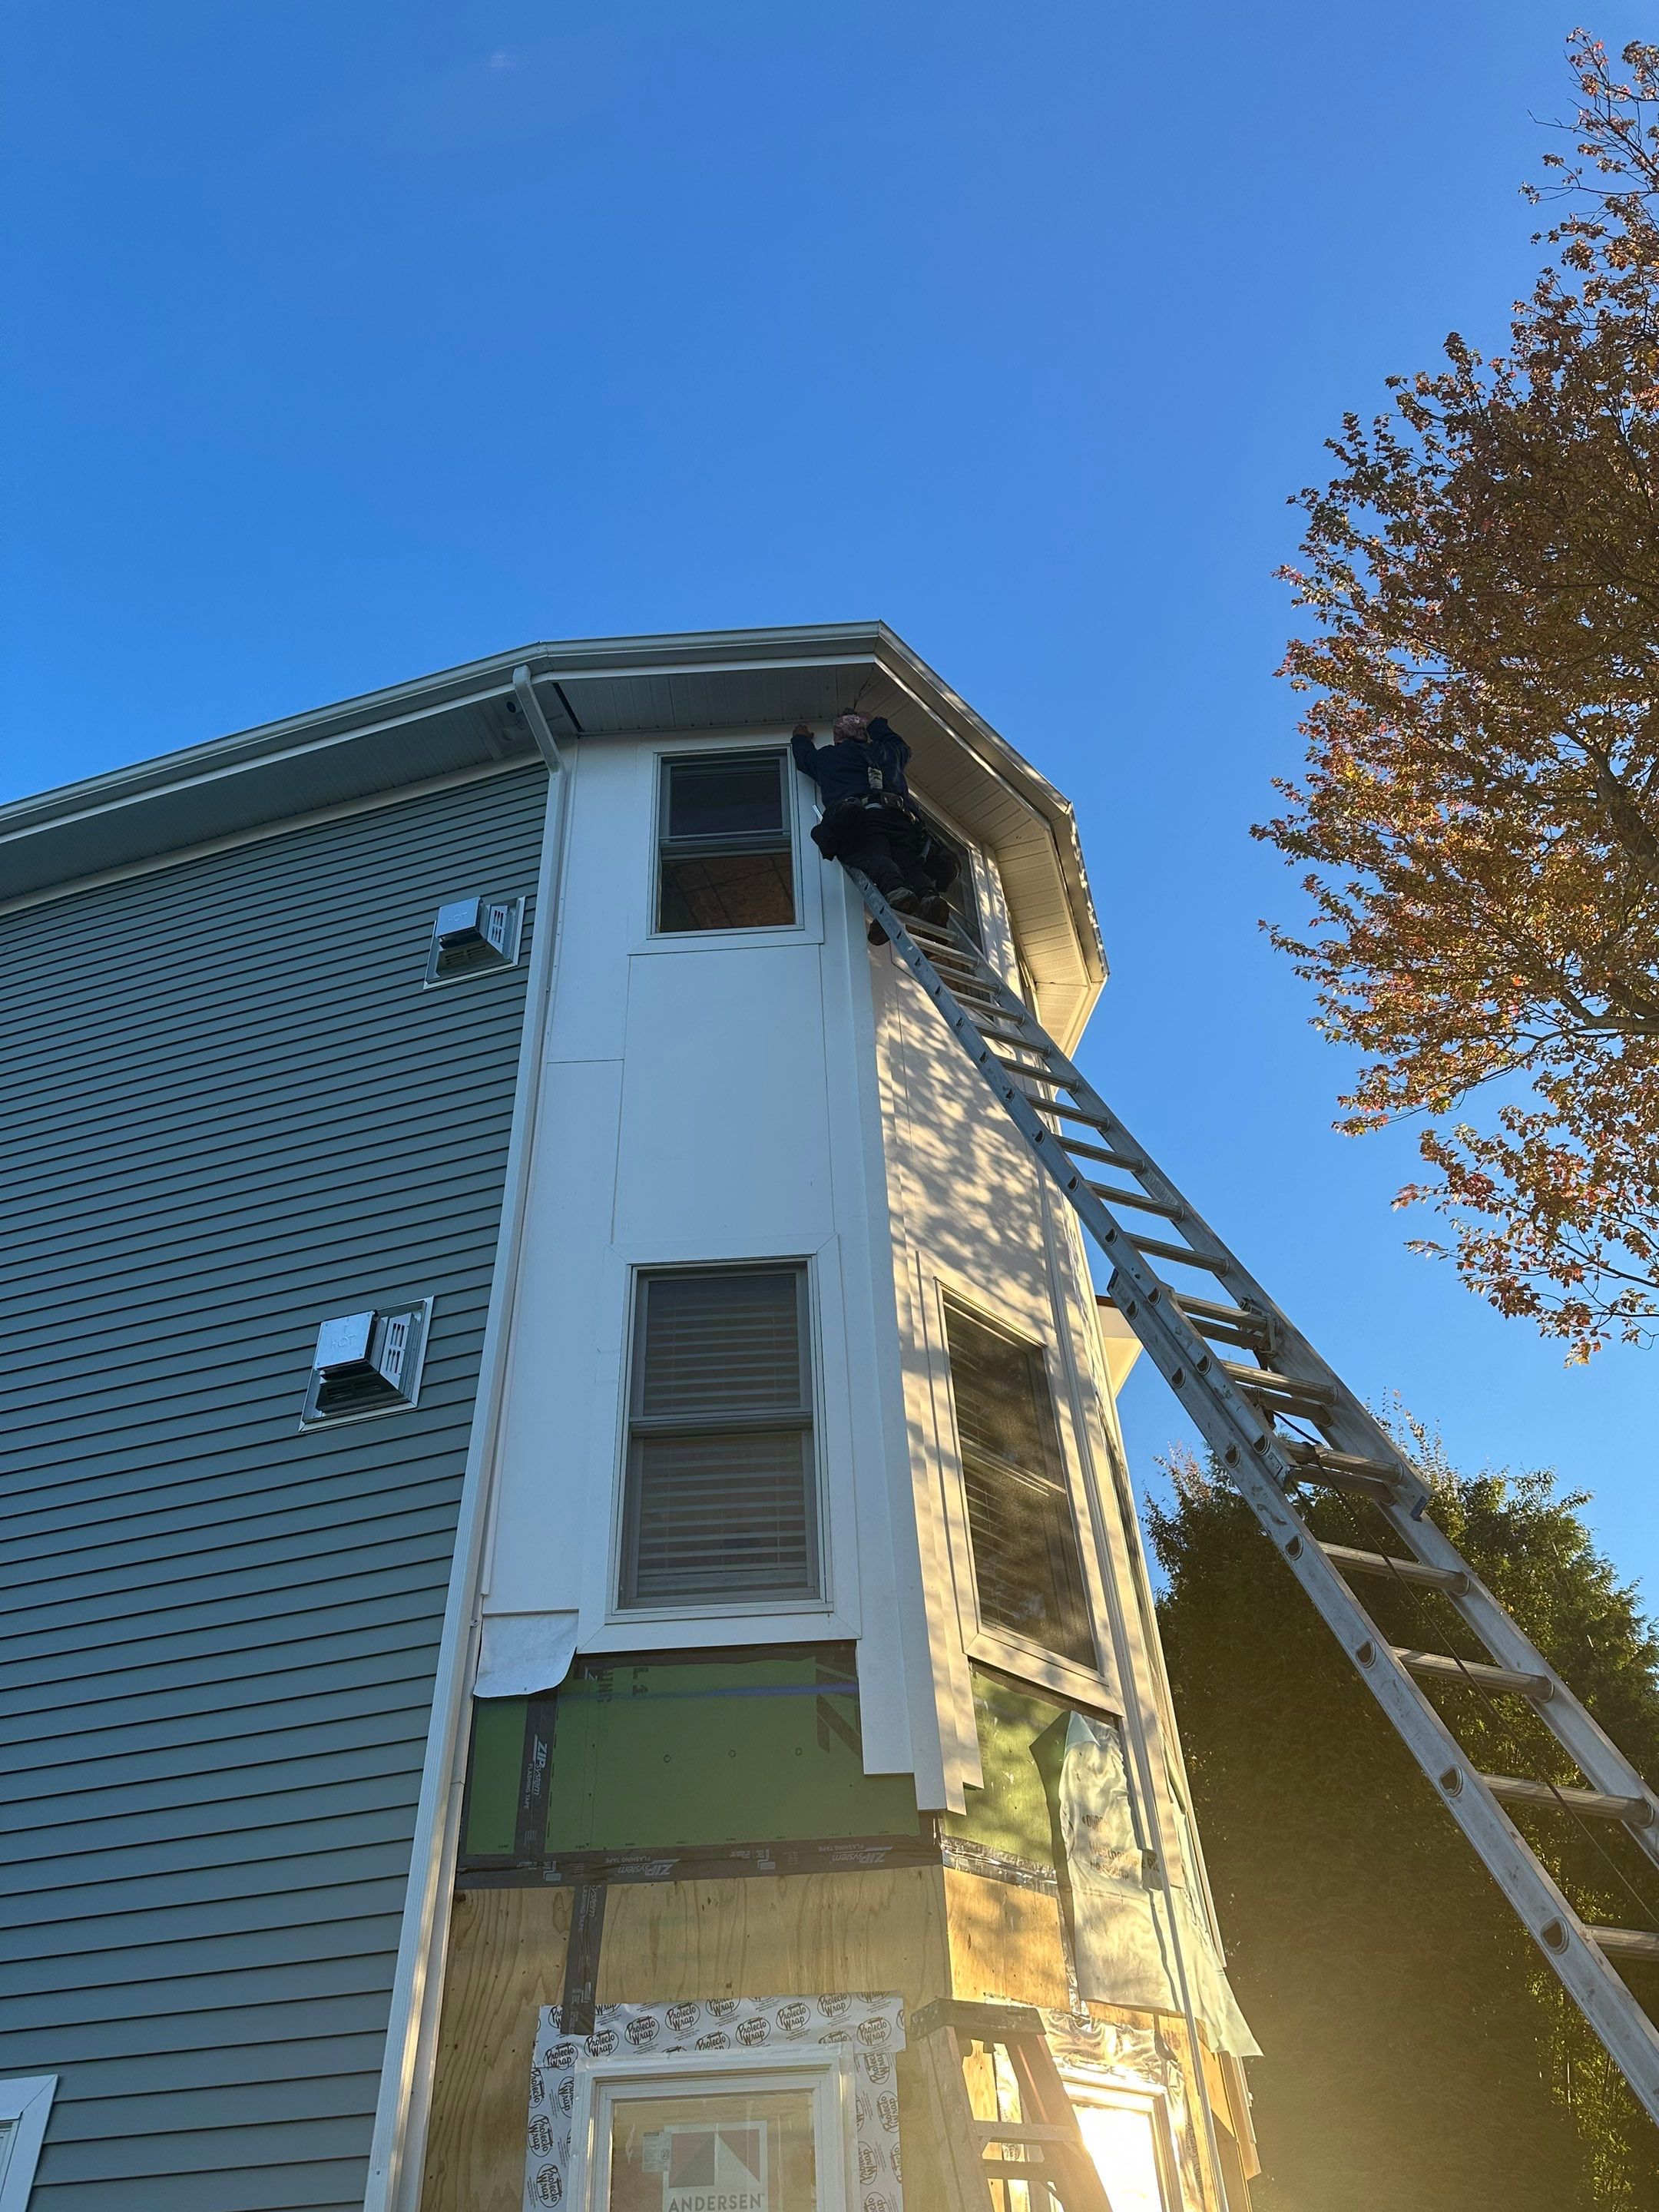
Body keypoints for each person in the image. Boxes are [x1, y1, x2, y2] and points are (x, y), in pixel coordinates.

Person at [791, 712, 952, 942]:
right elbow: (900, 745)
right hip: (902, 819)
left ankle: (896, 891)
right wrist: (877, 725)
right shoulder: (890, 753)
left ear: (838, 738)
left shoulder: (828, 757)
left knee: (872, 853)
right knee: (910, 863)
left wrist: (800, 737)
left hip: (864, 818)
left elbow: (804, 758)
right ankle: (928, 897)